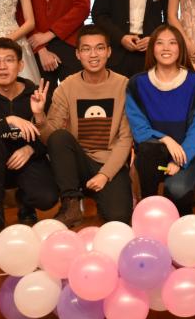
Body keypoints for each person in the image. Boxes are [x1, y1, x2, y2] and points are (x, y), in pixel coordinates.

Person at [32, 24, 134, 227]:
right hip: (77, 163)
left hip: (108, 162)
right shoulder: (66, 87)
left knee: (119, 218)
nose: (93, 55)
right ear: (78, 54)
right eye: (86, 49)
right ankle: (71, 203)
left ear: (109, 52)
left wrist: (104, 175)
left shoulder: (124, 85)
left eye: (99, 48)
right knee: (60, 137)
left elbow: (126, 138)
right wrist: (39, 115)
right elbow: (50, 139)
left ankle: (99, 195)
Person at [0, 38, 58, 233]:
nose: (2, 67)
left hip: (28, 160)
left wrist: (31, 148)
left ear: (20, 65)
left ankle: (26, 202)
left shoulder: (36, 94)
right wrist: (8, 121)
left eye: (9, 60)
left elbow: (53, 137)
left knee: (47, 198)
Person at [126, 25, 195, 215]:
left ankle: (182, 215)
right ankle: (147, 209)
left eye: (172, 43)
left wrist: (179, 161)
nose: (166, 48)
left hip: (187, 153)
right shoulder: (137, 84)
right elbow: (139, 130)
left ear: (180, 48)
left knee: (177, 190)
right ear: (152, 48)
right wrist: (165, 138)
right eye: (160, 43)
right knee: (148, 149)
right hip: (152, 154)